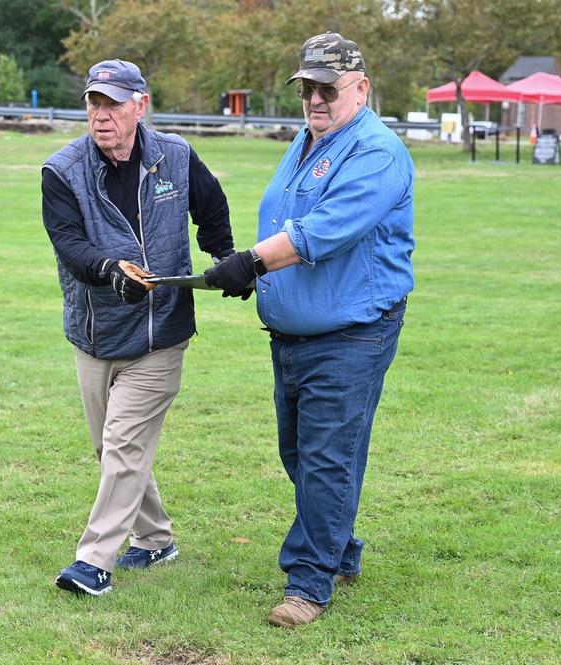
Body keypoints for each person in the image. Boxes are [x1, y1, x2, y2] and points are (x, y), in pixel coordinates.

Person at [204, 32, 415, 628]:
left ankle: (309, 581)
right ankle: (340, 549)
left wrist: (250, 263)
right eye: (308, 89)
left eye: (329, 88)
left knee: (325, 458)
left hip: (352, 332)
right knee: (301, 452)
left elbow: (320, 231)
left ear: (361, 88)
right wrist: (258, 276)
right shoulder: (309, 139)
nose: (316, 99)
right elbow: (285, 216)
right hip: (295, 334)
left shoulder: (375, 152)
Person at [42, 59, 238, 596]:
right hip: (95, 332)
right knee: (112, 450)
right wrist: (110, 272)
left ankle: (93, 561)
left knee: (124, 445)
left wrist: (222, 255)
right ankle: (155, 541)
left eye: (112, 104)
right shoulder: (61, 171)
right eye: (93, 104)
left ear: (140, 106)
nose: (101, 116)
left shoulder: (175, 155)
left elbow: (212, 206)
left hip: (161, 334)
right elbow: (70, 244)